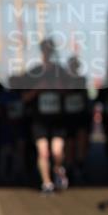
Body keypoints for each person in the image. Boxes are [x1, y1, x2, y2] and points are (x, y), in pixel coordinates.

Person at [22, 39, 70, 193]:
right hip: (39, 119)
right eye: (45, 50)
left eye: (50, 50)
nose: (47, 53)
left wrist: (58, 88)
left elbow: (70, 93)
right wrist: (38, 90)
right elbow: (24, 97)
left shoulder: (60, 71)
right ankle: (47, 183)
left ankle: (58, 168)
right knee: (43, 152)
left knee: (57, 151)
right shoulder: (34, 72)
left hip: (57, 119)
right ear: (42, 51)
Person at [63, 56, 92, 183]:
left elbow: (85, 96)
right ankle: (69, 166)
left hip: (80, 115)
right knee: (69, 142)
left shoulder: (81, 79)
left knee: (81, 140)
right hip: (68, 116)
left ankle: (79, 165)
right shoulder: (65, 80)